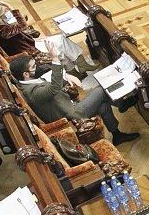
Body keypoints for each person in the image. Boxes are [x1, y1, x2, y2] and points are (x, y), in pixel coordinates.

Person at [8, 54, 139, 146]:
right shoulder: (32, 92)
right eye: (33, 67)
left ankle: (117, 135)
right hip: (69, 115)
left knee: (103, 107)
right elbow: (53, 88)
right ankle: (122, 103)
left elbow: (48, 83)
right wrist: (55, 59)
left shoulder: (25, 83)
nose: (37, 67)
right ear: (25, 74)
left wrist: (66, 76)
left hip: (67, 107)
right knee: (100, 91)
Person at [0, 0, 96, 74]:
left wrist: (34, 39)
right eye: (5, 11)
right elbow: (22, 26)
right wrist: (11, 7)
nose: (7, 13)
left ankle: (79, 66)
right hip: (28, 52)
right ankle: (74, 71)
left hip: (30, 44)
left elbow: (19, 35)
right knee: (58, 47)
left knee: (61, 40)